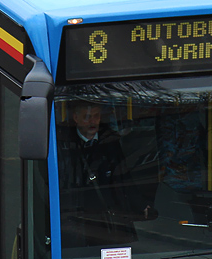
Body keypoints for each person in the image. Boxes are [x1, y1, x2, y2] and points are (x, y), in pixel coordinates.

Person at [57, 101, 155, 245]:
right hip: (76, 214)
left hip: (107, 216)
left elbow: (123, 177)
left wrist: (140, 204)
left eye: (96, 116)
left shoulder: (110, 141)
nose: (93, 121)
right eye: (87, 117)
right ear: (76, 118)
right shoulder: (62, 143)